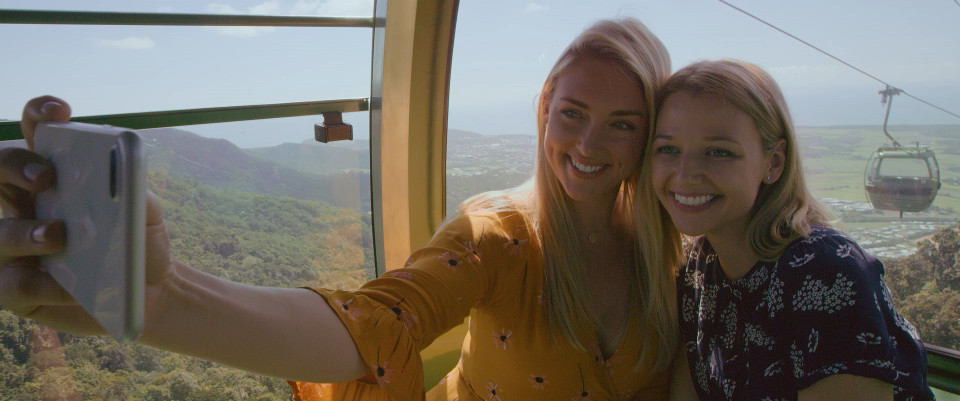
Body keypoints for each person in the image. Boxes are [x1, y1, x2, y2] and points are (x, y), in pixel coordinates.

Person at [0, 18, 679, 400]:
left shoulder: (678, 242)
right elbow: (378, 323)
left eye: (622, 123)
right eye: (573, 114)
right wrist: (165, 299)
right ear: (544, 112)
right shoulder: (498, 234)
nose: (587, 144)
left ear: (652, 134)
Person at [641, 59, 934, 400]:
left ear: (774, 162)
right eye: (668, 149)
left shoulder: (824, 271)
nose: (686, 174)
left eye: (718, 151)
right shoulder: (699, 267)